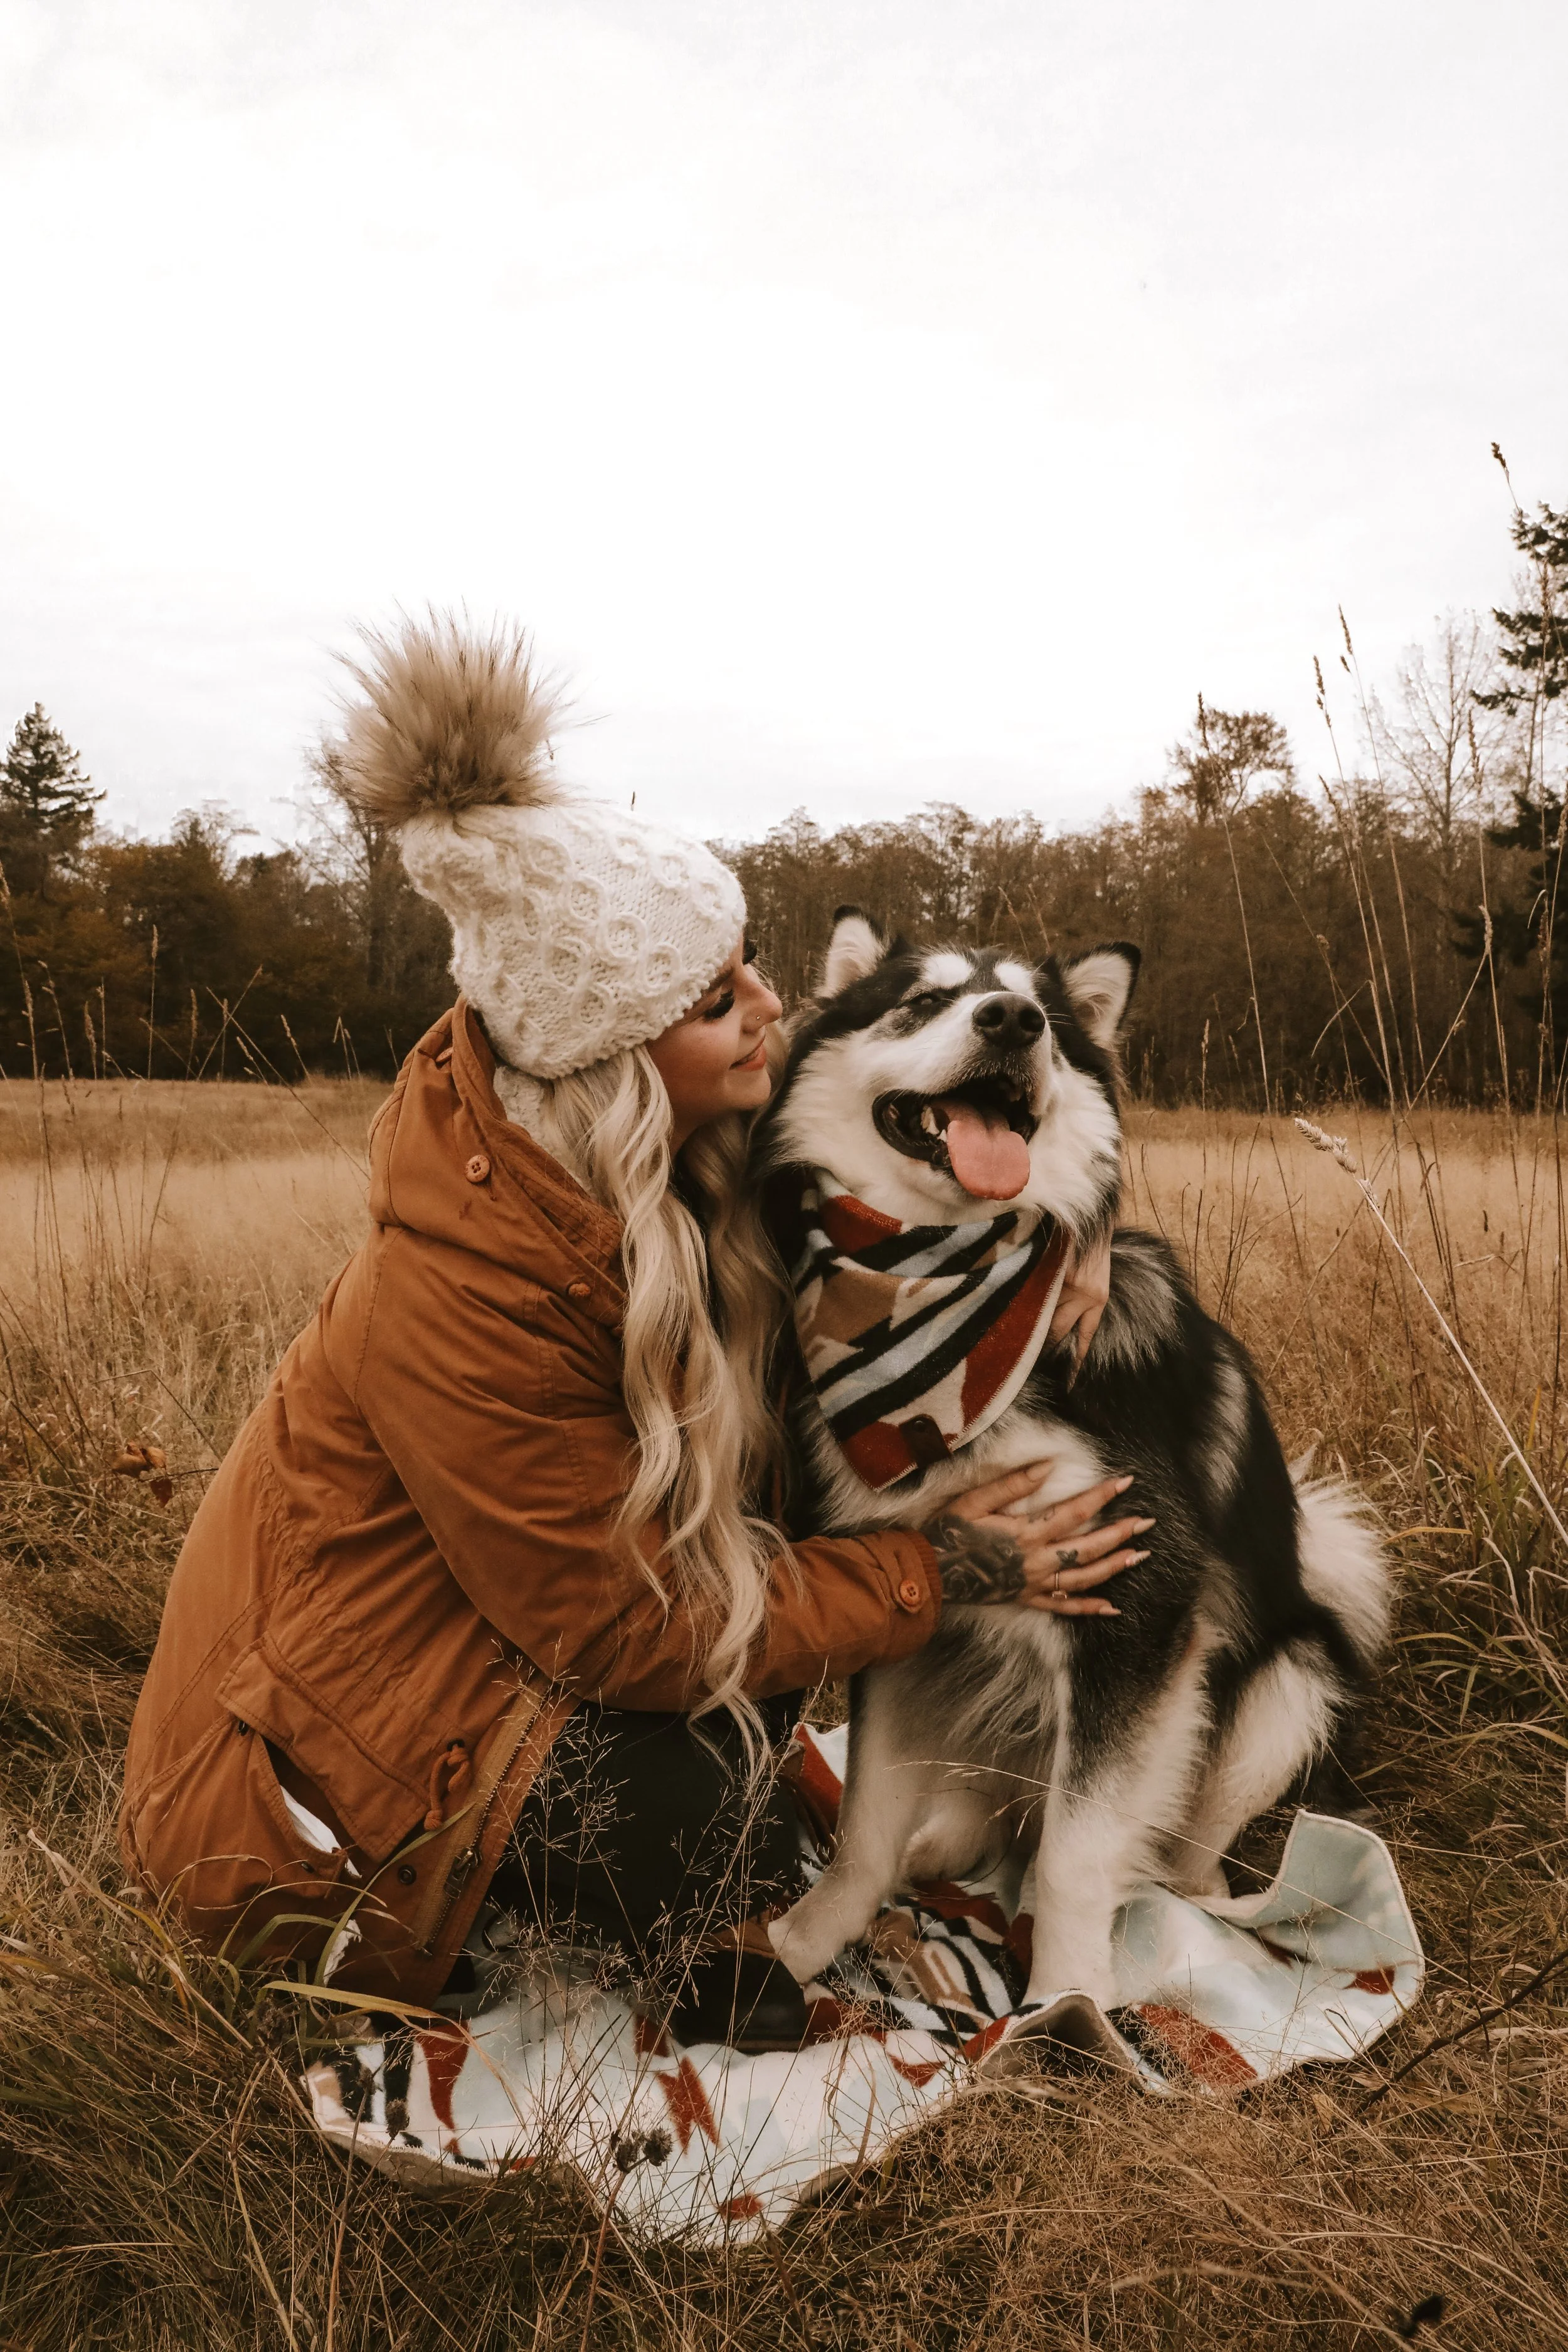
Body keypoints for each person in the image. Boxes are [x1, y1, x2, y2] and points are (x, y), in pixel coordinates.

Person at [120, 620, 1145, 2051]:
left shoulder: (691, 1170)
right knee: (695, 1773)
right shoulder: (463, 1282)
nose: (770, 1009)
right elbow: (628, 1625)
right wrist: (947, 1563)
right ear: (612, 1053)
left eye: (749, 969)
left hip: (477, 1667)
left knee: (750, 1713)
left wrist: (1079, 1224)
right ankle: (558, 1921)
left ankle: (621, 1886)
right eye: (717, 998)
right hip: (287, 1808)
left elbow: (941, 1187)